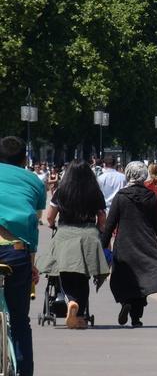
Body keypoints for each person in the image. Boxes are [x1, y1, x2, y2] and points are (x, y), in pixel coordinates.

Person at [36, 160, 109, 329]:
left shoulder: (61, 191)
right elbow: (102, 218)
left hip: (66, 234)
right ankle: (80, 312)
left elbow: (49, 217)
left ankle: (71, 302)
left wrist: (53, 225)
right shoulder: (94, 192)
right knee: (84, 276)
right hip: (89, 235)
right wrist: (98, 229)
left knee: (64, 271)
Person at [101, 161, 157, 327]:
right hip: (146, 242)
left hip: (124, 242)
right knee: (143, 279)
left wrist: (103, 243)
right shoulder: (151, 197)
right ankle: (136, 317)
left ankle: (126, 301)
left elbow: (110, 223)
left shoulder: (121, 196)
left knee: (124, 277)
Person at [0, 137, 45, 376]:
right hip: (17, 253)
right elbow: (32, 226)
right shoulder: (34, 182)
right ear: (24, 160)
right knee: (19, 320)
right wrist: (32, 266)